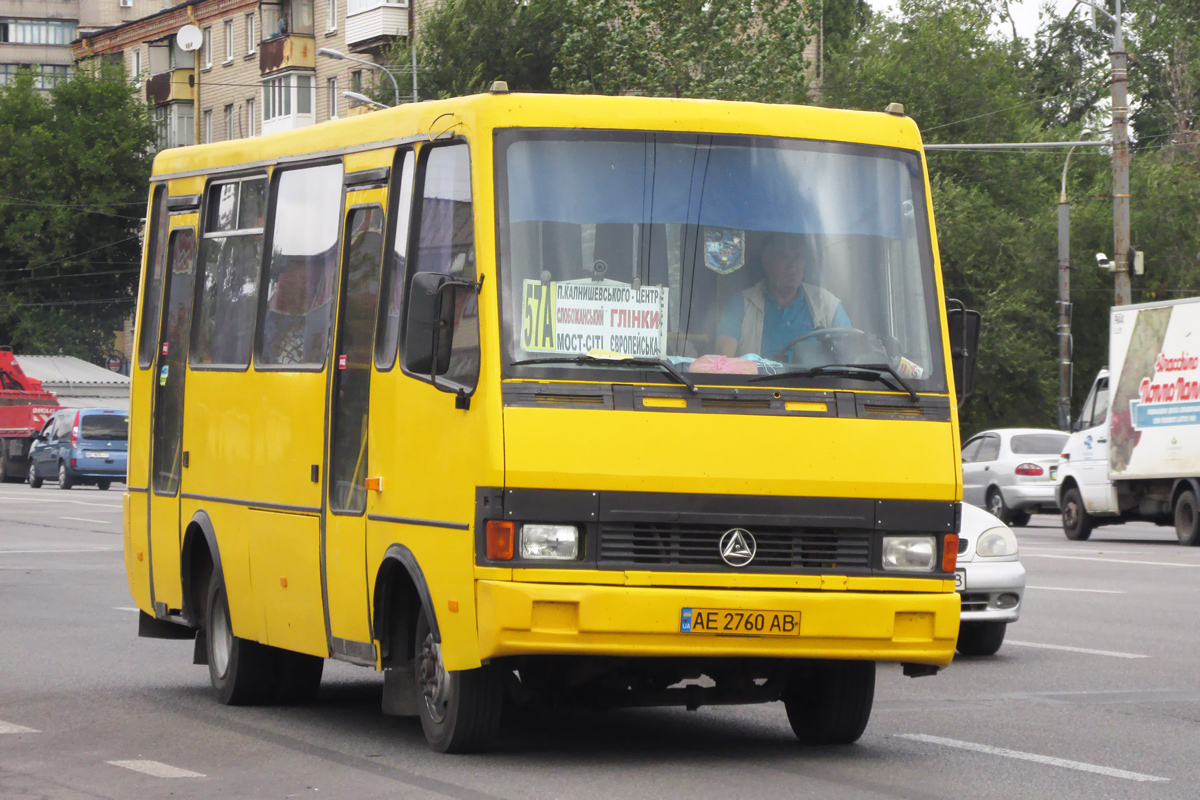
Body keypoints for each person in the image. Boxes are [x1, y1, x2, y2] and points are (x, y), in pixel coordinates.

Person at [715, 232, 850, 361]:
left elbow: (851, 356)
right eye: (785, 256)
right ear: (766, 261)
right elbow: (723, 363)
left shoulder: (827, 304)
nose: (793, 265)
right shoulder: (741, 305)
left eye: (799, 257)